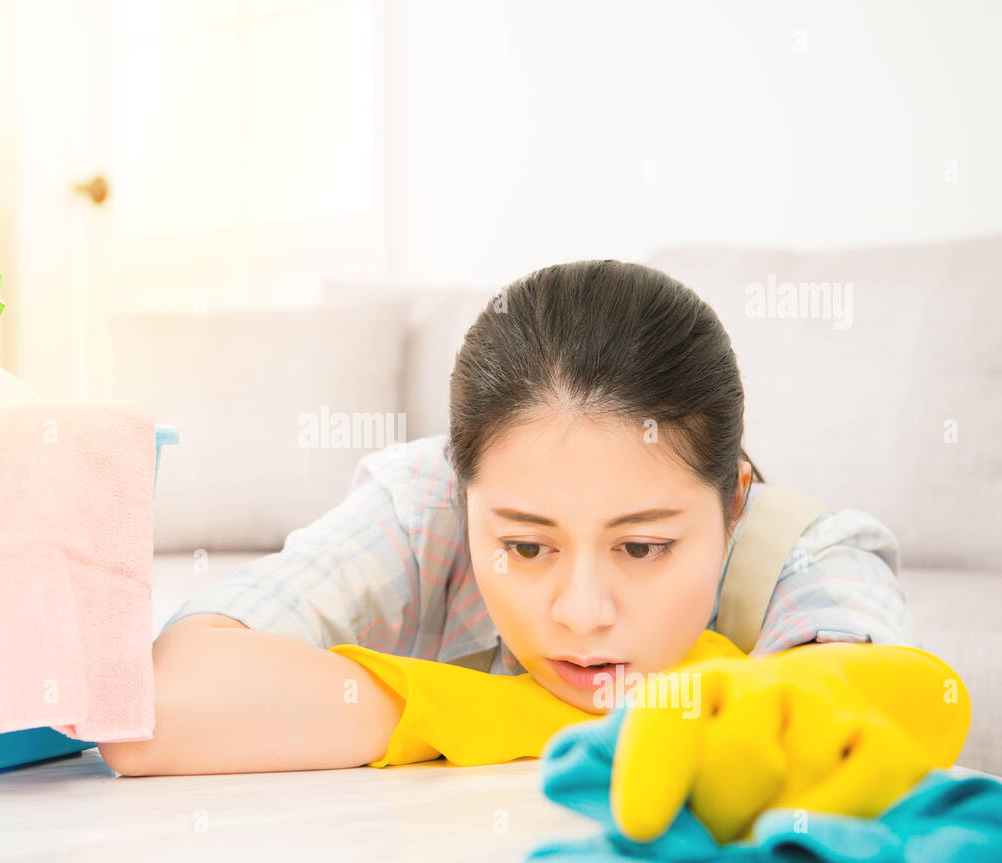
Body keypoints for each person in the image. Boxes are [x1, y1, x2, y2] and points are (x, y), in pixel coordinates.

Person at [98, 260, 912, 778]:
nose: (582, 613)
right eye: (525, 545)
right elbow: (154, 709)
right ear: (462, 494)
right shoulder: (423, 506)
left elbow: (883, 724)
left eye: (642, 546)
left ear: (733, 501)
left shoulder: (802, 553)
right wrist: (519, 714)